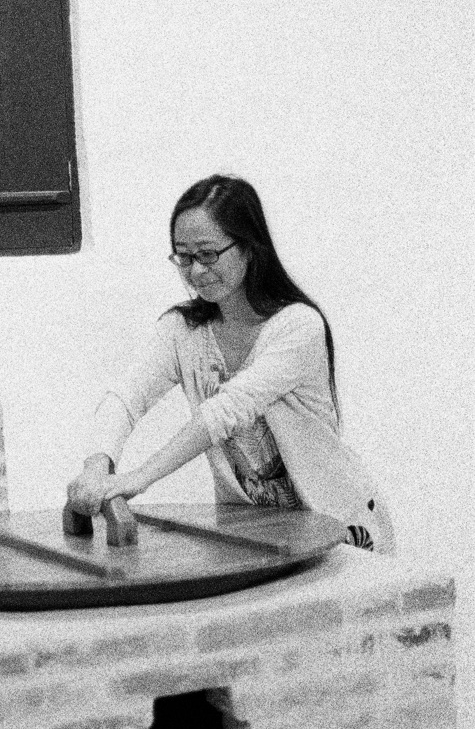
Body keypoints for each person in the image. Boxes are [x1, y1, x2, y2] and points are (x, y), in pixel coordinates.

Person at [67, 175, 394, 553]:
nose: (196, 271)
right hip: (259, 535)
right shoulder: (181, 330)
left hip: (343, 529)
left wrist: (138, 478)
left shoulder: (298, 326)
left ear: (250, 248)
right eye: (184, 257)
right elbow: (126, 398)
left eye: (208, 254)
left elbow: (225, 412)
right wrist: (97, 467)